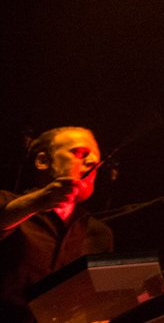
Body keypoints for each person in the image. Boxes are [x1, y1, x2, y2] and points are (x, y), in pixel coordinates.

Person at [0, 127, 112, 323]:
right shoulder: (7, 204)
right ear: (43, 161)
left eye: (96, 159)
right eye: (80, 153)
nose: (93, 161)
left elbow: (97, 308)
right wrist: (38, 201)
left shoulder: (99, 233)